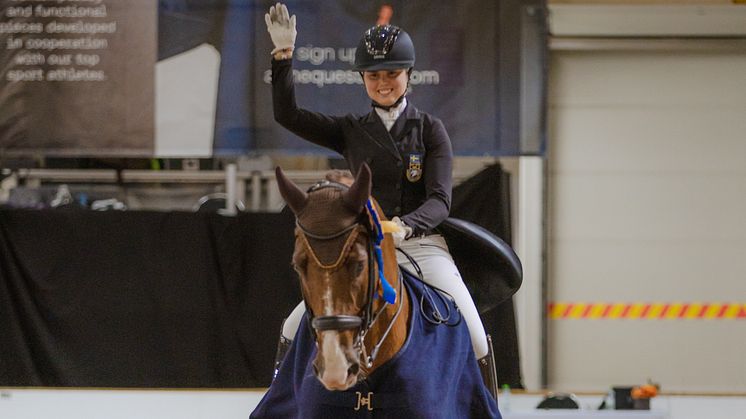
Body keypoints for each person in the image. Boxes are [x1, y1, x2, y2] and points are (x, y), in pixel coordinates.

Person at [265, 2, 498, 398]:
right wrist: (284, 57)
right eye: (373, 76)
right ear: (363, 80)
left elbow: (441, 200)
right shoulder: (350, 130)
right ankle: (282, 404)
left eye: (391, 74)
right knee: (292, 326)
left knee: (475, 334)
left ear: (408, 75)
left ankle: (487, 408)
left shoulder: (429, 130)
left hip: (421, 245)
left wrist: (407, 225)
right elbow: (288, 116)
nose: (383, 83)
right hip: (366, 248)